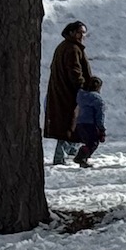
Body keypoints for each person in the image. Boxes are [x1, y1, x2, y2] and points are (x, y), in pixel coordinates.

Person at [45, 21, 91, 165]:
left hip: (62, 92)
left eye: (84, 33)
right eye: (79, 32)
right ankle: (60, 157)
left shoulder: (64, 47)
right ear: (71, 32)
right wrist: (83, 87)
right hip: (69, 94)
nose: (82, 36)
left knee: (70, 125)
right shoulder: (72, 49)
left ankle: (71, 152)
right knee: (69, 125)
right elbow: (75, 72)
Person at [72, 76, 106, 168]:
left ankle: (83, 161)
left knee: (88, 142)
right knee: (93, 143)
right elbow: (100, 115)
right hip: (90, 124)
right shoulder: (98, 100)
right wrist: (101, 128)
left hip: (80, 123)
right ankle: (80, 157)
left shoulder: (81, 96)